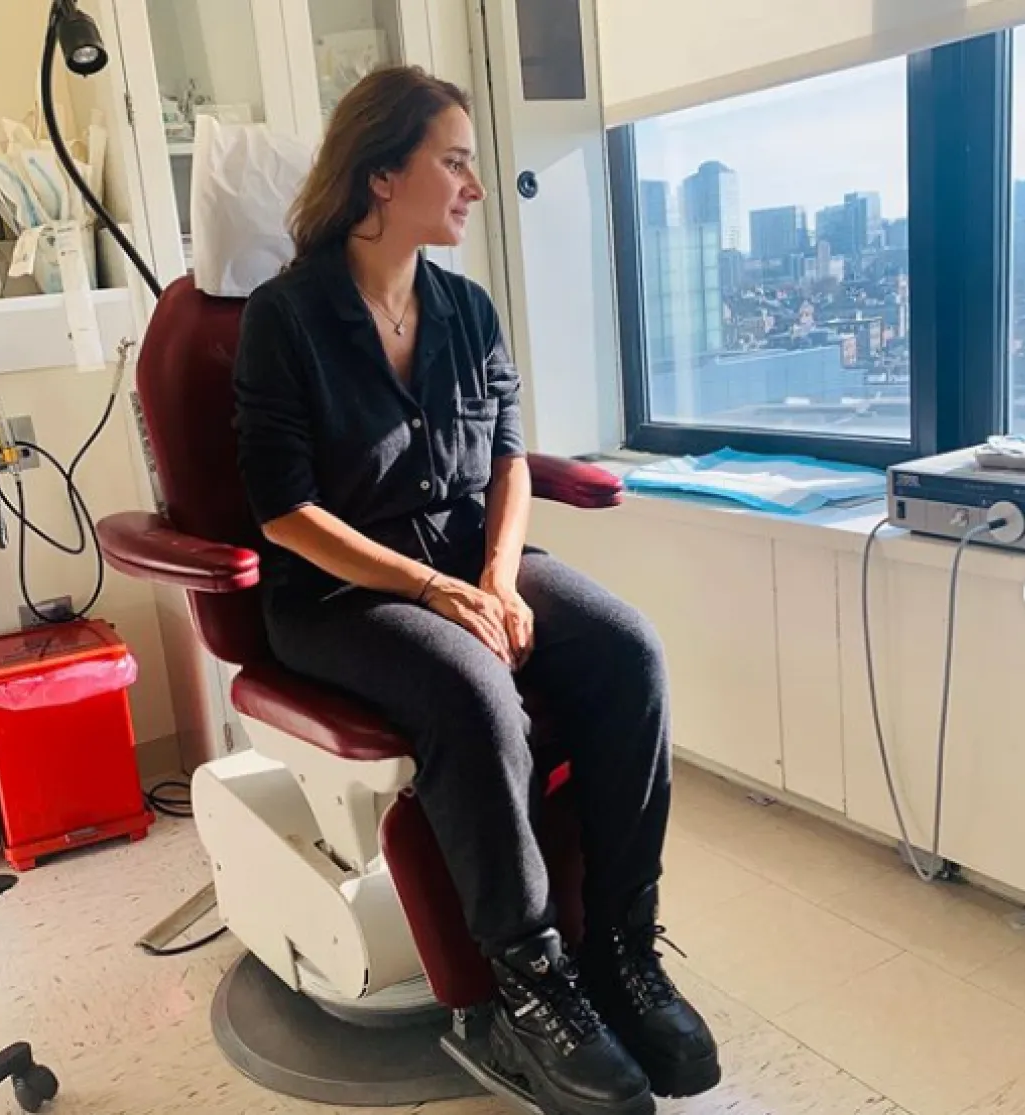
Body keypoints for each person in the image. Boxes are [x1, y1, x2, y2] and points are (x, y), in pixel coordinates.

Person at [232, 65, 720, 1115]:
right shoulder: (286, 317)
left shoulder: (465, 307)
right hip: (336, 591)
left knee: (628, 651)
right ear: (380, 175)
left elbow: (505, 459)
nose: (475, 184)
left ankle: (621, 947)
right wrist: (434, 591)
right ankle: (528, 979)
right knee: (472, 690)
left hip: (466, 556)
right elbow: (284, 512)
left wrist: (498, 576)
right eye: (453, 161)